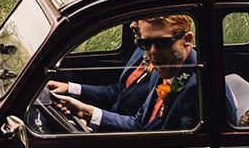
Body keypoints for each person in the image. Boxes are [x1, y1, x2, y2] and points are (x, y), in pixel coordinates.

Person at [52, 15, 200, 131]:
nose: (153, 53)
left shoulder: (198, 91)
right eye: (145, 44)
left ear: (186, 40)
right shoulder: (162, 68)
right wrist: (84, 111)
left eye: (163, 43)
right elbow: (139, 124)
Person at [46, 22, 155, 116]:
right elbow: (119, 91)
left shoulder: (162, 69)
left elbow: (139, 125)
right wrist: (70, 88)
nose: (132, 25)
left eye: (139, 20)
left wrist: (86, 113)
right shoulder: (141, 48)